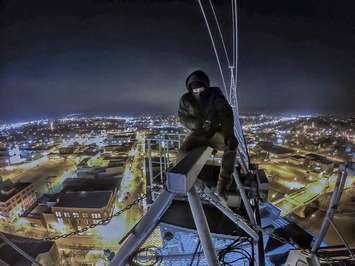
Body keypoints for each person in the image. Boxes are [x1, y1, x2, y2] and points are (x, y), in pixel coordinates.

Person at [177, 70, 238, 199]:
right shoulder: (185, 99)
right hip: (198, 134)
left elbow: (226, 113)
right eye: (195, 90)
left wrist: (229, 134)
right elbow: (183, 118)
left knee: (231, 145)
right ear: (190, 89)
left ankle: (223, 186)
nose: (198, 92)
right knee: (183, 152)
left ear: (206, 86)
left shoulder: (215, 94)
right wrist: (197, 124)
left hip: (215, 132)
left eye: (201, 88)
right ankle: (184, 184)